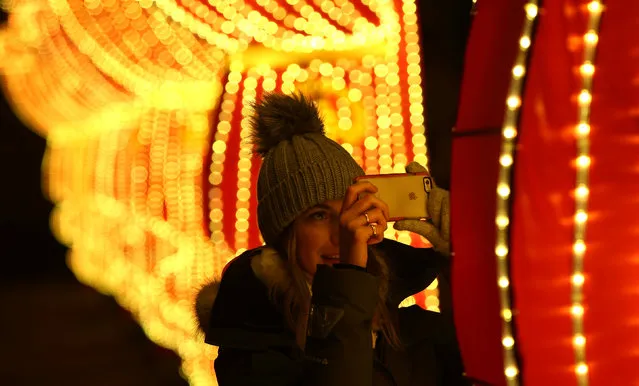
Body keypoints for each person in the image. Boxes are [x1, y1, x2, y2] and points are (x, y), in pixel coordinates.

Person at [195, 92, 467, 386]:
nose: (343, 233)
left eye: (350, 209)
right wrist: (351, 275)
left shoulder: (408, 328)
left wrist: (465, 257)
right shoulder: (252, 343)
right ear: (285, 231)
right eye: (320, 215)